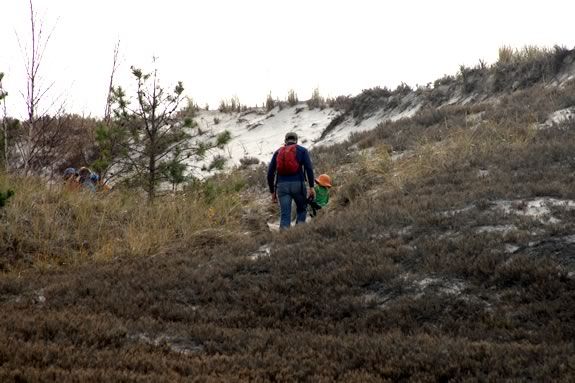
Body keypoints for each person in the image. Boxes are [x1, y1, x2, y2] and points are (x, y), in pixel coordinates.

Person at [267, 132, 315, 229]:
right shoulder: (302, 150)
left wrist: (272, 192)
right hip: (298, 185)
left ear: (285, 141)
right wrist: (311, 186)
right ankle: (298, 233)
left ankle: (284, 238)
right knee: (302, 210)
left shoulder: (278, 152)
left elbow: (270, 174)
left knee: (285, 214)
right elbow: (309, 169)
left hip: (282, 187)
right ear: (296, 140)